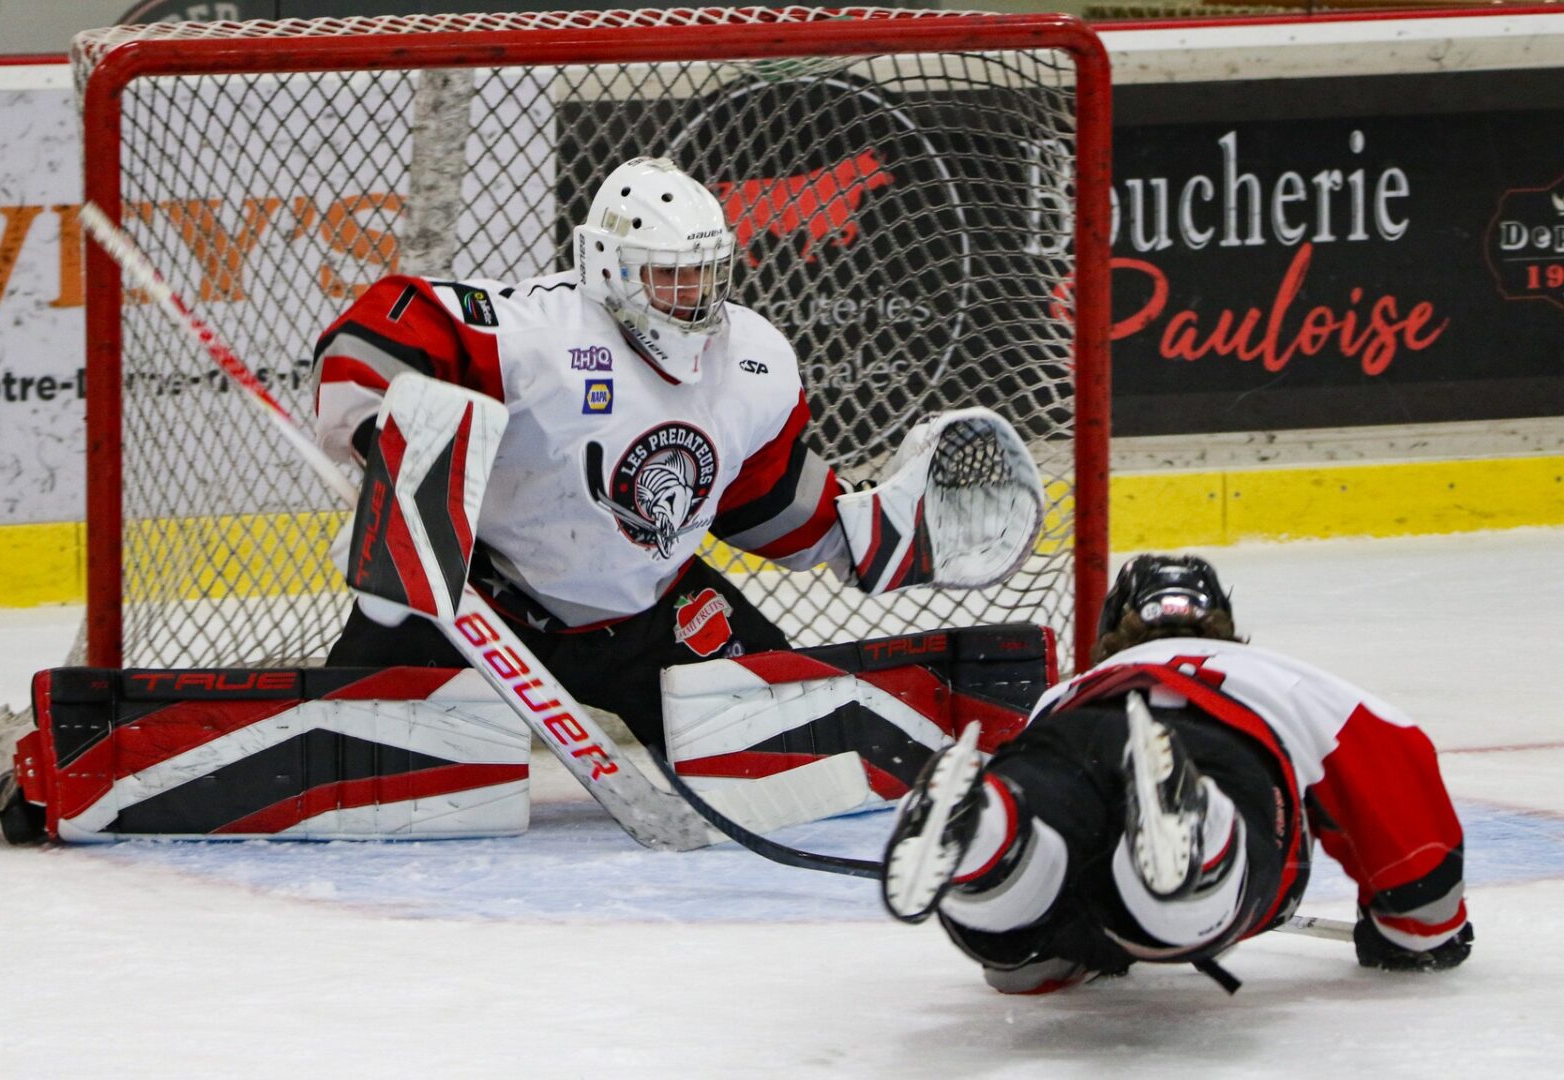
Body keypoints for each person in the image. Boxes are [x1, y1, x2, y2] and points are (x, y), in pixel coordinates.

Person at [310, 156, 1040, 754]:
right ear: (609, 266)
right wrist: (391, 444)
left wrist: (863, 526)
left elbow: (762, 494)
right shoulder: (538, 331)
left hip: (654, 617)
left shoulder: (754, 358)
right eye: (668, 274)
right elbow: (382, 329)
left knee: (795, 747)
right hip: (476, 605)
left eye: (705, 272)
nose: (693, 295)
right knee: (344, 763)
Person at [881, 553, 1472, 993]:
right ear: (1224, 627)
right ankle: (1200, 833)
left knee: (1029, 924)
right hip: (1219, 747)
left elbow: (1031, 978)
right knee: (1183, 905)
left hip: (1071, 737)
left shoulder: (1064, 693)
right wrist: (1416, 930)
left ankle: (991, 834)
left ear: (1111, 634)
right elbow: (1400, 780)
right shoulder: (1279, 674)